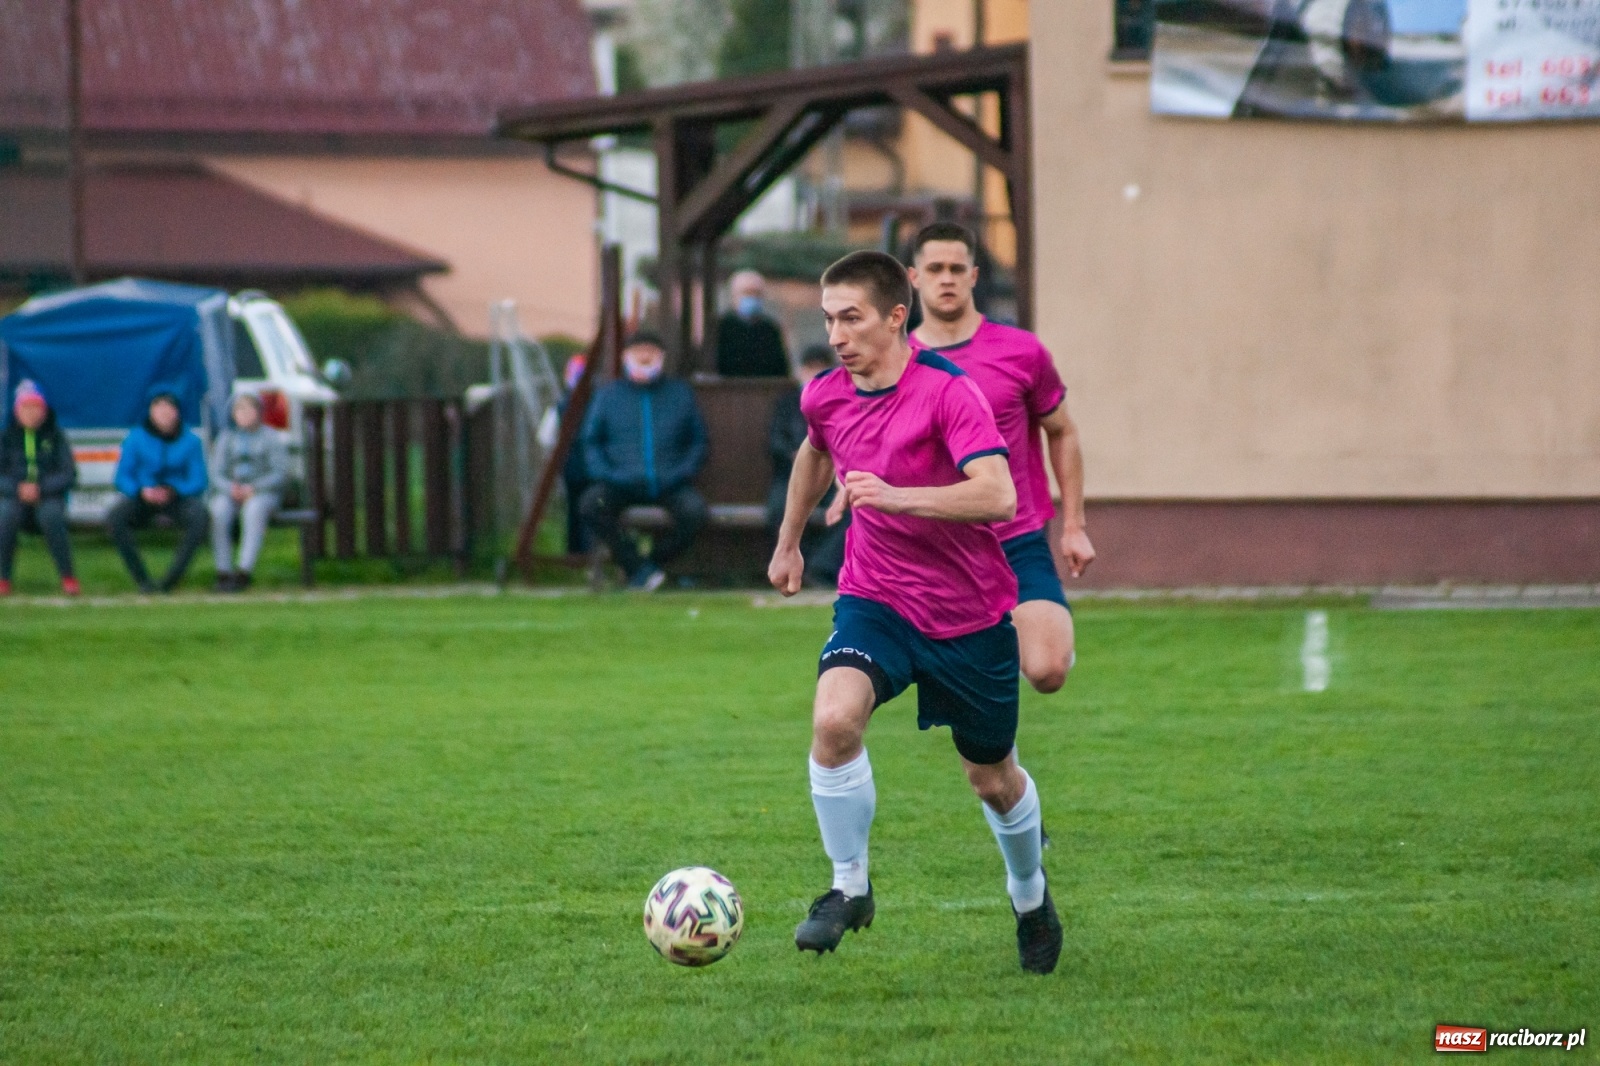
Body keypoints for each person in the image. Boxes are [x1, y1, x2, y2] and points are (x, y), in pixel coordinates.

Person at [769, 250, 1063, 974]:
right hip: (878, 599)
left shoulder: (949, 392)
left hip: (969, 616)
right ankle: (849, 888)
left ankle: (1030, 895)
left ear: (896, 317)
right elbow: (814, 453)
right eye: (829, 318)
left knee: (992, 780)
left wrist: (896, 495)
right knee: (834, 720)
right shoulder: (826, 394)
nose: (836, 334)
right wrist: (788, 542)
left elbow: (998, 495)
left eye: (852, 318)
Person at [906, 222, 1096, 695]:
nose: (945, 278)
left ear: (973, 275)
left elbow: (1063, 432)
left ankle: (1027, 636)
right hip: (939, 550)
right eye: (934, 269)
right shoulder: (898, 361)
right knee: (962, 693)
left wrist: (1074, 525)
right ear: (914, 277)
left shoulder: (1020, 351)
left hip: (1016, 538)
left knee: (1048, 670)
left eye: (955, 268)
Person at [579, 331, 709, 591]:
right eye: (639, 351)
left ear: (662, 357)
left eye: (651, 352)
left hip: (670, 482)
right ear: (626, 357)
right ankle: (637, 567)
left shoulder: (680, 394)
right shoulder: (608, 396)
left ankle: (650, 565)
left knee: (695, 512)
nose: (645, 357)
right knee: (591, 505)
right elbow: (591, 442)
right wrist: (606, 474)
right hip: (619, 483)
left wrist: (682, 472)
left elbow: (699, 442)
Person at [108, 389, 209, 593]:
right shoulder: (136, 439)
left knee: (200, 517)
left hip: (176, 497)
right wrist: (141, 490)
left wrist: (174, 489)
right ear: (151, 412)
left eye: (168, 409)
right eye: (159, 409)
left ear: (177, 413)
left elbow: (199, 479)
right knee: (115, 517)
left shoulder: (191, 441)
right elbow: (122, 476)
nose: (164, 414)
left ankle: (170, 580)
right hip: (143, 496)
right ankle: (142, 579)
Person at [766, 345, 848, 586]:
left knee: (850, 509)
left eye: (820, 367)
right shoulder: (786, 403)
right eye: (810, 368)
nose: (815, 373)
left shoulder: (842, 401)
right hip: (789, 477)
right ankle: (789, 562)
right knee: (779, 509)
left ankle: (819, 567)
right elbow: (773, 440)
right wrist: (793, 456)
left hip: (833, 476)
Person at [0, 380, 79, 596]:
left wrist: (41, 488)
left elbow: (69, 474)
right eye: (26, 407)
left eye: (36, 407)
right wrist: (17, 488)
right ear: (17, 411)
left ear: (44, 410)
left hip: (48, 496)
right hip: (14, 497)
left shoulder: (55, 436)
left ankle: (68, 577)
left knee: (51, 516)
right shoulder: (7, 438)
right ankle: (3, 578)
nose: (31, 413)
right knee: (5, 516)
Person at [208, 392, 290, 592]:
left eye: (249, 409)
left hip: (262, 493)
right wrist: (230, 488)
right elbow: (215, 472)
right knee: (218, 511)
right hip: (232, 492)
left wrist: (254, 487)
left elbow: (280, 473)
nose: (244, 414)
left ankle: (244, 570)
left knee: (253, 510)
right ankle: (223, 571)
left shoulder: (270, 437)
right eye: (239, 409)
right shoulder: (226, 439)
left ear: (259, 412)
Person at [715, 270, 789, 377]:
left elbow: (781, 369)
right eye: (747, 293)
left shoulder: (770, 329)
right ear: (733, 295)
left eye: (757, 293)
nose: (752, 297)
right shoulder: (722, 327)